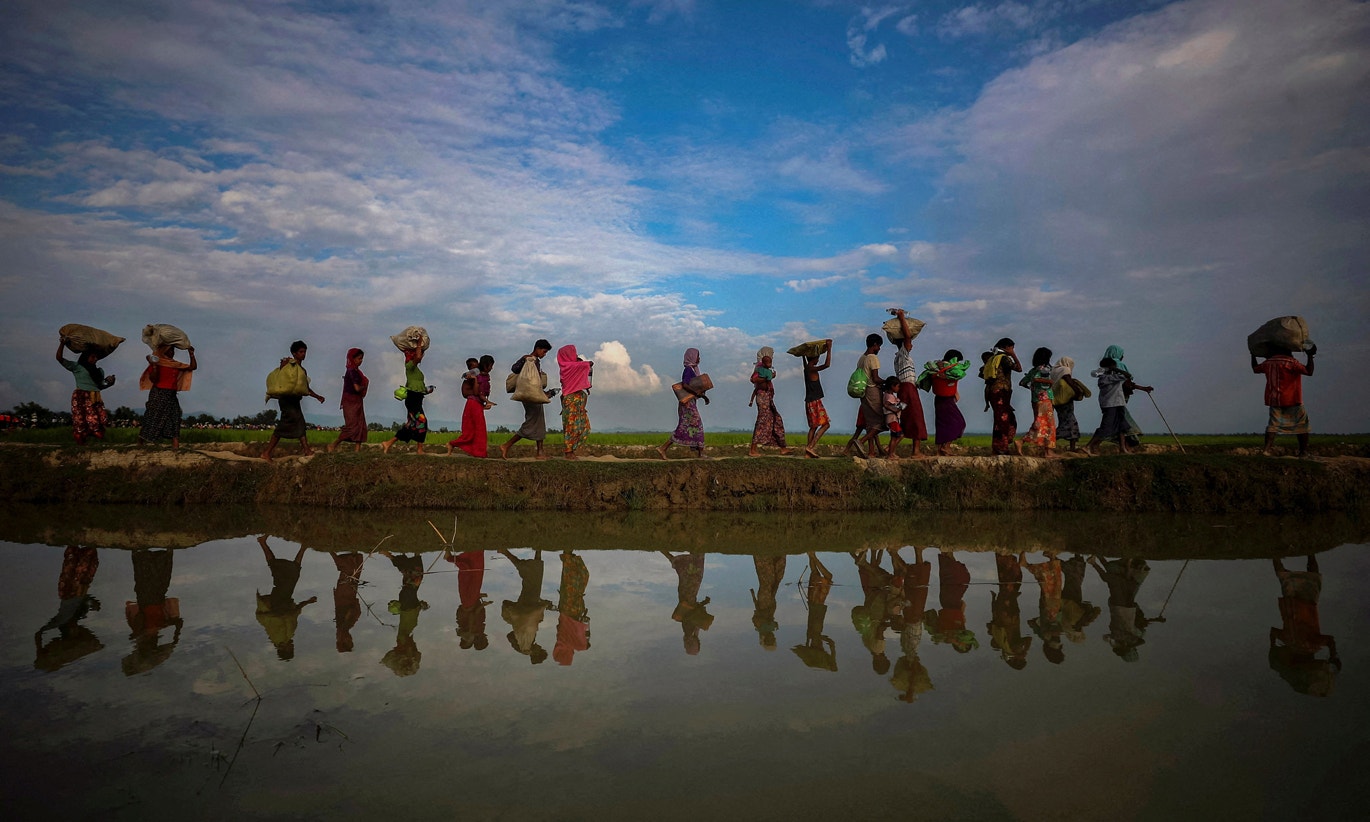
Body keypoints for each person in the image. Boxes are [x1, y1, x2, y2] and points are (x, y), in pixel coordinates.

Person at [1269, 555, 1339, 696]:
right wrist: (1273, 645)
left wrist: (1333, 654)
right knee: (1283, 577)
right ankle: (1274, 554)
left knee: (1313, 578)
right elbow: (1273, 632)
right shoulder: (1290, 642)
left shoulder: (1311, 646)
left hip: (1306, 605)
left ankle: (1311, 552)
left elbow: (1330, 640)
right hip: (1291, 604)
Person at [34, 545, 102, 673]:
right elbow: (38, 635)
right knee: (77, 562)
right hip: (71, 589)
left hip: (72, 590)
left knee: (80, 562)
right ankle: (77, 545)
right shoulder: (73, 615)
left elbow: (38, 635)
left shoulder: (64, 619)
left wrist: (41, 651)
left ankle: (77, 545)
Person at [255, 536, 317, 660]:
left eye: (290, 649)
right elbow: (295, 613)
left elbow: (271, 617)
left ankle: (263, 543)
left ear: (283, 649)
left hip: (278, 601)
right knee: (292, 575)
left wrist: (283, 613)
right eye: (292, 648)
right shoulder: (288, 636)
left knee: (285, 573)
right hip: (286, 598)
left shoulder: (277, 637)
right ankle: (303, 547)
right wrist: (308, 602)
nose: (292, 646)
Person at [262, 341, 325, 462]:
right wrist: (283, 365)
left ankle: (305, 450)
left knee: (296, 424)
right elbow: (282, 380)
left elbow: (306, 388)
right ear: (294, 353)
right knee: (292, 423)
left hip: (295, 401)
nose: (303, 354)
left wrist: (317, 396)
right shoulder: (288, 365)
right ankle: (267, 452)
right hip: (286, 401)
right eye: (301, 352)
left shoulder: (302, 370)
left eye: (305, 352)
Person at [123, 548, 184, 675]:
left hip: (148, 598)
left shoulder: (144, 629)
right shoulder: (156, 626)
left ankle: (143, 552)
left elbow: (178, 627)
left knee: (147, 576)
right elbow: (178, 625)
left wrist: (176, 634)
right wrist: (176, 633)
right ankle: (147, 553)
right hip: (154, 597)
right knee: (153, 576)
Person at [1252, 344, 1316, 457]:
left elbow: (1255, 369)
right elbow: (1309, 371)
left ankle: (1266, 450)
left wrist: (1253, 355)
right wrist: (1310, 356)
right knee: (1302, 425)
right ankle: (1303, 451)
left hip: (1274, 399)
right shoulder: (1291, 362)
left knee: (1273, 424)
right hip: (1293, 399)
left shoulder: (1268, 363)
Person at [55, 334, 116, 445]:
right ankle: (82, 439)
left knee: (101, 421)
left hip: (95, 397)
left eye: (96, 357)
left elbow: (100, 386)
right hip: (81, 396)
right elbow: (59, 358)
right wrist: (62, 344)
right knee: (81, 420)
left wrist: (110, 382)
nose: (95, 359)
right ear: (86, 356)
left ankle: (87, 434)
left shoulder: (99, 372)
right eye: (93, 357)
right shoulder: (77, 367)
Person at [500, 339, 556, 460]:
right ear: (538, 349)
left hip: (534, 395)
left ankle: (540, 452)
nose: (544, 354)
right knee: (531, 423)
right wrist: (523, 359)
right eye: (544, 351)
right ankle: (506, 445)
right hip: (530, 396)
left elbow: (534, 382)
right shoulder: (529, 359)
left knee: (539, 421)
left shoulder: (536, 362)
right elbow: (515, 369)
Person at [1086, 357, 1153, 455]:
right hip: (1111, 405)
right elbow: (1128, 375)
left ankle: (1122, 448)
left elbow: (1127, 380)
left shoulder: (1110, 376)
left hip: (1118, 403)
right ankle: (1088, 446)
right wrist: (1113, 369)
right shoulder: (1107, 377)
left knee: (1122, 426)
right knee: (1106, 427)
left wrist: (1111, 369)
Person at [137, 343, 196, 450]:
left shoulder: (174, 364)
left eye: (173, 350)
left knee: (175, 416)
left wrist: (191, 354)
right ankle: (141, 441)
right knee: (152, 417)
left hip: (171, 394)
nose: (172, 352)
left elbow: (193, 367)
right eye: (170, 350)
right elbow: (154, 379)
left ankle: (176, 445)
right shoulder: (156, 363)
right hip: (159, 393)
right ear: (164, 351)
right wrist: (154, 366)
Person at [500, 549, 553, 663]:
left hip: (527, 609)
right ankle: (538, 551)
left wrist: (544, 605)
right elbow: (511, 635)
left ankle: (506, 552)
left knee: (533, 579)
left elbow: (531, 617)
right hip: (519, 610)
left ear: (537, 653)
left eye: (540, 648)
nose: (539, 646)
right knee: (533, 582)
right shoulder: (523, 646)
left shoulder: (528, 642)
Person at [380, 551, 428, 676]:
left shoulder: (402, 640)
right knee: (415, 575)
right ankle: (412, 555)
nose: (414, 647)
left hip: (407, 605)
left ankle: (391, 556)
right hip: (411, 606)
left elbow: (406, 641)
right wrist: (420, 605)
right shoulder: (408, 637)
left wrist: (408, 653)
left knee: (412, 577)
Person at [888, 309, 927, 459]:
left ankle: (890, 449)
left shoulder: (898, 357)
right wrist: (901, 317)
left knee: (906, 418)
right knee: (916, 418)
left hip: (905, 390)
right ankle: (915, 452)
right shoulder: (903, 354)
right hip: (908, 390)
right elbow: (908, 336)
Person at [657, 347, 709, 459]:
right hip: (688, 404)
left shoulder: (693, 370)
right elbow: (685, 385)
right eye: (697, 356)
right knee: (694, 425)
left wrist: (702, 396)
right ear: (692, 357)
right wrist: (697, 393)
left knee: (689, 426)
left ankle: (700, 452)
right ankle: (663, 448)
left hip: (690, 402)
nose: (699, 358)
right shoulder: (689, 370)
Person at [382, 346, 434, 455]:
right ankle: (419, 450)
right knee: (421, 422)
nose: (421, 356)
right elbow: (419, 357)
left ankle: (388, 443)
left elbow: (416, 386)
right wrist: (419, 343)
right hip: (413, 399)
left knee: (412, 424)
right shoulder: (409, 365)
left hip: (417, 398)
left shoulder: (416, 370)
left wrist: (426, 390)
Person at [792, 553, 837, 672]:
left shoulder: (816, 634)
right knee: (814, 572)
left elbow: (832, 644)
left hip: (818, 604)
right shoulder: (811, 634)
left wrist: (831, 655)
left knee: (828, 576)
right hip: (812, 603)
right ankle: (811, 553)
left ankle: (813, 555)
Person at [662, 551, 713, 655]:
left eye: (697, 644)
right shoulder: (692, 632)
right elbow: (692, 613)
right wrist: (703, 604)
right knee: (686, 573)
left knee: (692, 573)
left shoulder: (688, 631)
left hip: (688, 594)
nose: (699, 642)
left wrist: (703, 604)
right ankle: (666, 553)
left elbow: (690, 615)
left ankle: (695, 552)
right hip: (688, 595)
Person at [987, 550, 1031, 670]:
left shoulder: (1012, 649)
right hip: (1004, 611)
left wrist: (1024, 650)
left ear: (1017, 659)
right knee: (1009, 582)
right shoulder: (1004, 647)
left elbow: (1028, 639)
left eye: (1022, 658)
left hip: (1009, 613)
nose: (1024, 656)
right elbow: (994, 622)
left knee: (1010, 582)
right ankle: (1004, 555)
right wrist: (993, 601)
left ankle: (1005, 555)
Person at [448, 354, 495, 457]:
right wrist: (475, 380)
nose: (492, 368)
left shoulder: (484, 376)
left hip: (476, 404)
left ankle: (455, 445)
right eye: (491, 365)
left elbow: (483, 392)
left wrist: (486, 402)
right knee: (479, 429)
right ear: (486, 365)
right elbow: (476, 391)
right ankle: (479, 452)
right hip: (473, 403)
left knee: (475, 429)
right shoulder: (476, 375)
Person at [981, 338, 1022, 455]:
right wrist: (1013, 355)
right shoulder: (1003, 358)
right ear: (1006, 347)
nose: (1013, 350)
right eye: (1012, 348)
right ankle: (1001, 447)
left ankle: (999, 447)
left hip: (994, 393)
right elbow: (1019, 369)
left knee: (1002, 419)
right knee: (1003, 420)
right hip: (1001, 392)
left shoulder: (992, 359)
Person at [924, 350, 968, 455]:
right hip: (946, 399)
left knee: (942, 424)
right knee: (959, 422)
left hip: (941, 398)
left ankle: (940, 450)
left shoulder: (939, 367)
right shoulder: (944, 369)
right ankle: (946, 447)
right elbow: (946, 377)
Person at [748, 347, 789, 456]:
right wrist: (768, 377)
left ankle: (782, 447)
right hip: (762, 396)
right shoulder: (759, 368)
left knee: (775, 419)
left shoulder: (764, 368)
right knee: (762, 421)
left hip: (767, 396)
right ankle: (753, 449)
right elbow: (753, 380)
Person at [851, 333, 886, 459]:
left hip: (863, 392)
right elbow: (875, 379)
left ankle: (872, 452)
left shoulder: (862, 358)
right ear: (875, 345)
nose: (879, 349)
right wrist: (887, 381)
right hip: (872, 391)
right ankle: (861, 441)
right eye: (879, 346)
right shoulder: (872, 358)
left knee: (870, 423)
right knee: (880, 422)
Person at [552, 550, 591, 665]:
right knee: (584, 576)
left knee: (571, 578)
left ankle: (568, 554)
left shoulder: (564, 642)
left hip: (568, 606)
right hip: (577, 608)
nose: (572, 654)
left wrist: (583, 645)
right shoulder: (569, 644)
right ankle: (570, 556)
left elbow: (583, 646)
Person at [447, 549, 490, 651]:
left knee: (470, 574)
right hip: (469, 600)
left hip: (469, 601)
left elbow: (473, 613)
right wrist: (479, 597)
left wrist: (483, 605)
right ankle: (473, 552)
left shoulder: (473, 630)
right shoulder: (471, 630)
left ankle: (451, 557)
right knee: (472, 575)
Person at [1018, 347, 1057, 458]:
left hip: (1035, 399)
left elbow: (1022, 382)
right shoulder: (1043, 369)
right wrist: (1049, 381)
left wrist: (1033, 388)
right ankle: (1047, 451)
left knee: (1039, 423)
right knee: (1049, 425)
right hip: (1044, 398)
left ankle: (1046, 450)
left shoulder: (1033, 370)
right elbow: (1036, 379)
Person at [329, 348, 369, 453]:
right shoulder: (352, 372)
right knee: (352, 426)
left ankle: (357, 449)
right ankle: (334, 444)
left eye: (362, 359)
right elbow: (356, 388)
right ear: (353, 358)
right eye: (359, 358)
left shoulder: (356, 371)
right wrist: (364, 387)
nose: (361, 361)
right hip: (351, 401)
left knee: (360, 424)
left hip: (357, 401)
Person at [1103, 344, 1144, 444]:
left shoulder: (1105, 368)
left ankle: (1123, 445)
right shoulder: (1119, 365)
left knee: (1118, 420)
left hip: (1107, 398)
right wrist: (1142, 388)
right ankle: (1130, 439)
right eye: (1121, 354)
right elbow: (1127, 379)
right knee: (1120, 419)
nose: (1122, 356)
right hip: (1118, 397)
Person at [558, 344, 594, 460]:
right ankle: (569, 452)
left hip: (578, 401)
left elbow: (581, 373)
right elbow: (589, 364)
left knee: (583, 427)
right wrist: (582, 363)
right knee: (571, 427)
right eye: (574, 353)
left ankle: (571, 450)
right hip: (571, 401)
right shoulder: (567, 367)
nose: (576, 355)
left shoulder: (572, 366)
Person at [1050, 357, 1090, 452]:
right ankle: (1050, 440)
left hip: (1056, 400)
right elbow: (1068, 380)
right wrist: (1077, 391)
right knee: (1070, 422)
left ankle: (1071, 448)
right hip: (1066, 400)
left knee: (1065, 421)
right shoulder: (1065, 369)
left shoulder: (1053, 371)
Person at [801, 340, 833, 458]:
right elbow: (827, 365)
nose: (818, 358)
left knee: (813, 427)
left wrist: (803, 355)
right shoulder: (811, 368)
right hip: (815, 401)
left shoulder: (807, 368)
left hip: (809, 401)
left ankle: (807, 453)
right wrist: (829, 349)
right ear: (814, 359)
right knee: (826, 425)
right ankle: (810, 447)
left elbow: (805, 362)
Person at [751, 555, 786, 651]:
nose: (772, 638)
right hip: (769, 600)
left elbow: (757, 616)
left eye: (770, 641)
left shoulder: (760, 627)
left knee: (767, 580)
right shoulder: (768, 628)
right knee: (774, 579)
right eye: (773, 640)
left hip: (765, 601)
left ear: (765, 639)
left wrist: (767, 617)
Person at [332, 552, 364, 653]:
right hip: (350, 594)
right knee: (356, 569)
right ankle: (352, 554)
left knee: (349, 572)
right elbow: (357, 612)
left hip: (343, 595)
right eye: (351, 640)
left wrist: (352, 611)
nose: (350, 638)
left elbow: (356, 612)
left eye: (348, 641)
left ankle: (332, 553)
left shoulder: (342, 629)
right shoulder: (346, 627)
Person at [881, 376, 904, 451]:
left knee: (896, 436)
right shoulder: (890, 396)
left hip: (891, 419)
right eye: (898, 386)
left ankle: (890, 451)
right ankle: (890, 453)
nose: (899, 388)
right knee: (897, 436)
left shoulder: (887, 394)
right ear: (892, 386)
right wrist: (895, 410)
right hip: (892, 419)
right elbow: (886, 405)